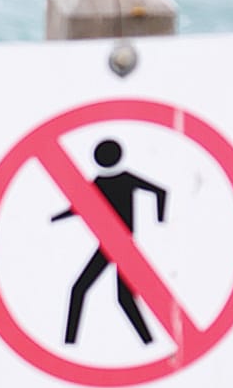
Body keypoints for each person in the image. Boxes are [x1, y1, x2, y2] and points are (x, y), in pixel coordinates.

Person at [51, 139, 167, 347]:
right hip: (111, 244)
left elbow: (160, 191)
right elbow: (78, 206)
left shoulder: (120, 179)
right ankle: (70, 344)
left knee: (109, 295)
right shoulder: (101, 182)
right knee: (109, 295)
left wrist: (160, 221)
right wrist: (56, 218)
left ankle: (151, 344)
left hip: (120, 245)